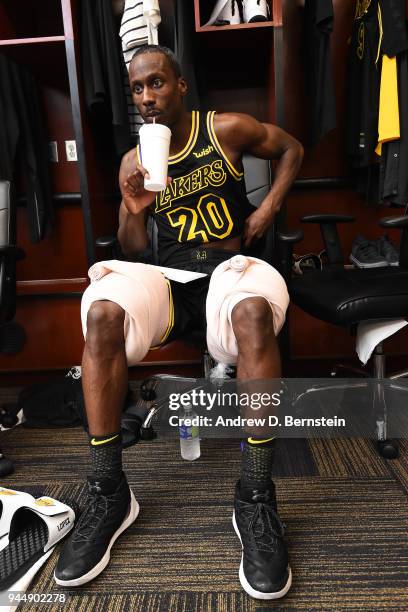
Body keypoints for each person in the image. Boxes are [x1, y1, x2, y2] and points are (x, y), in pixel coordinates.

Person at [54, 45, 303, 599]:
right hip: (168, 282)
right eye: (138, 89)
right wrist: (135, 210)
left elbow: (291, 148)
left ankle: (256, 496)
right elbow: (133, 248)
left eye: (157, 84)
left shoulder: (227, 130)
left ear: (181, 86)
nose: (147, 98)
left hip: (226, 275)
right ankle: (109, 489)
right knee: (101, 311)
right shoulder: (131, 162)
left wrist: (265, 212)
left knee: (255, 314)